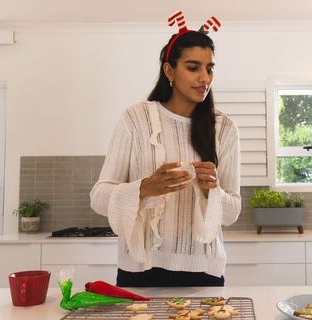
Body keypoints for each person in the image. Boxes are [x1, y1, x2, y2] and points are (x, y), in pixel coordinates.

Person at [90, 13, 241, 287]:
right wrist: (147, 187)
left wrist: (212, 191)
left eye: (210, 69)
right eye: (193, 67)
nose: (204, 78)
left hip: (204, 272)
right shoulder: (135, 119)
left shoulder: (225, 128)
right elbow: (98, 198)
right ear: (169, 71)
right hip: (139, 270)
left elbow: (231, 214)